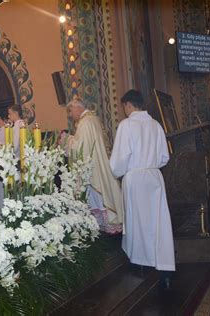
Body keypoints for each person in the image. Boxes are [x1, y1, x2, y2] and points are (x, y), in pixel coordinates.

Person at [110, 89, 175, 289]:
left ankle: (140, 263)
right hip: (154, 177)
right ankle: (163, 266)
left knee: (138, 222)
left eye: (124, 107)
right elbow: (165, 157)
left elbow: (119, 160)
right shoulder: (156, 125)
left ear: (128, 104)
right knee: (158, 222)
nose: (124, 111)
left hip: (135, 178)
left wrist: (117, 171)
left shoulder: (126, 125)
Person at [64, 96, 123, 234]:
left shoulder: (85, 122)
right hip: (99, 164)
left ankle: (99, 231)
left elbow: (81, 148)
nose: (70, 115)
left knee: (95, 198)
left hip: (93, 169)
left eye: (70, 111)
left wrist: (67, 140)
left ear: (78, 107)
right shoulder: (94, 119)